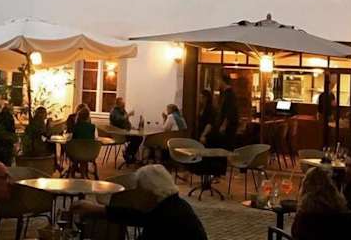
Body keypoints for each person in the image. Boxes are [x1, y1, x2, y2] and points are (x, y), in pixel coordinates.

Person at [71, 164, 208, 240]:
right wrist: (97, 209)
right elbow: (135, 215)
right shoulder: (171, 204)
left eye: (138, 190)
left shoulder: (166, 218)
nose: (135, 195)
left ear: (150, 192)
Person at [292, 167, 351, 240]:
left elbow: (295, 232)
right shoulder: (339, 204)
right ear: (329, 183)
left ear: (306, 183)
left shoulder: (305, 208)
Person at [110, 97, 141, 163]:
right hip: (118, 135)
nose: (124, 104)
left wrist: (133, 127)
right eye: (122, 103)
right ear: (118, 104)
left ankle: (129, 154)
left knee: (139, 138)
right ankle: (127, 153)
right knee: (137, 139)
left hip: (124, 133)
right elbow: (119, 120)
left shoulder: (123, 111)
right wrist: (128, 115)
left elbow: (126, 122)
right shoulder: (114, 111)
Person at [216, 73, 239, 149]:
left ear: (222, 81)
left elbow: (229, 111)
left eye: (219, 81)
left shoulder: (229, 94)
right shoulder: (227, 93)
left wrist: (224, 125)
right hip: (228, 125)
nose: (218, 83)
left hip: (229, 127)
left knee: (227, 146)